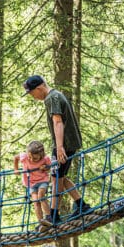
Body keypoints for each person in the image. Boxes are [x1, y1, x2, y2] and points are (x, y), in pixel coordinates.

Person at [22, 75, 91, 224]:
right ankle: (81, 205)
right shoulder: (56, 95)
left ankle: (54, 216)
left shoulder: (51, 98)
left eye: (32, 93)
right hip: (67, 144)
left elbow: (58, 121)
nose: (33, 97)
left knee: (56, 179)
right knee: (60, 177)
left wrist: (59, 148)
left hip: (64, 145)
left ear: (39, 88)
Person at [14, 140, 53, 231]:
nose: (31, 159)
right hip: (31, 183)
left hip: (42, 180)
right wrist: (16, 169)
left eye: (35, 158)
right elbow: (15, 158)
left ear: (41, 155)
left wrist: (45, 168)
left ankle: (48, 217)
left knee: (41, 195)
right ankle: (41, 222)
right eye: (30, 157)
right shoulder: (25, 157)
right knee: (36, 202)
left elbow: (49, 168)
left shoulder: (45, 159)